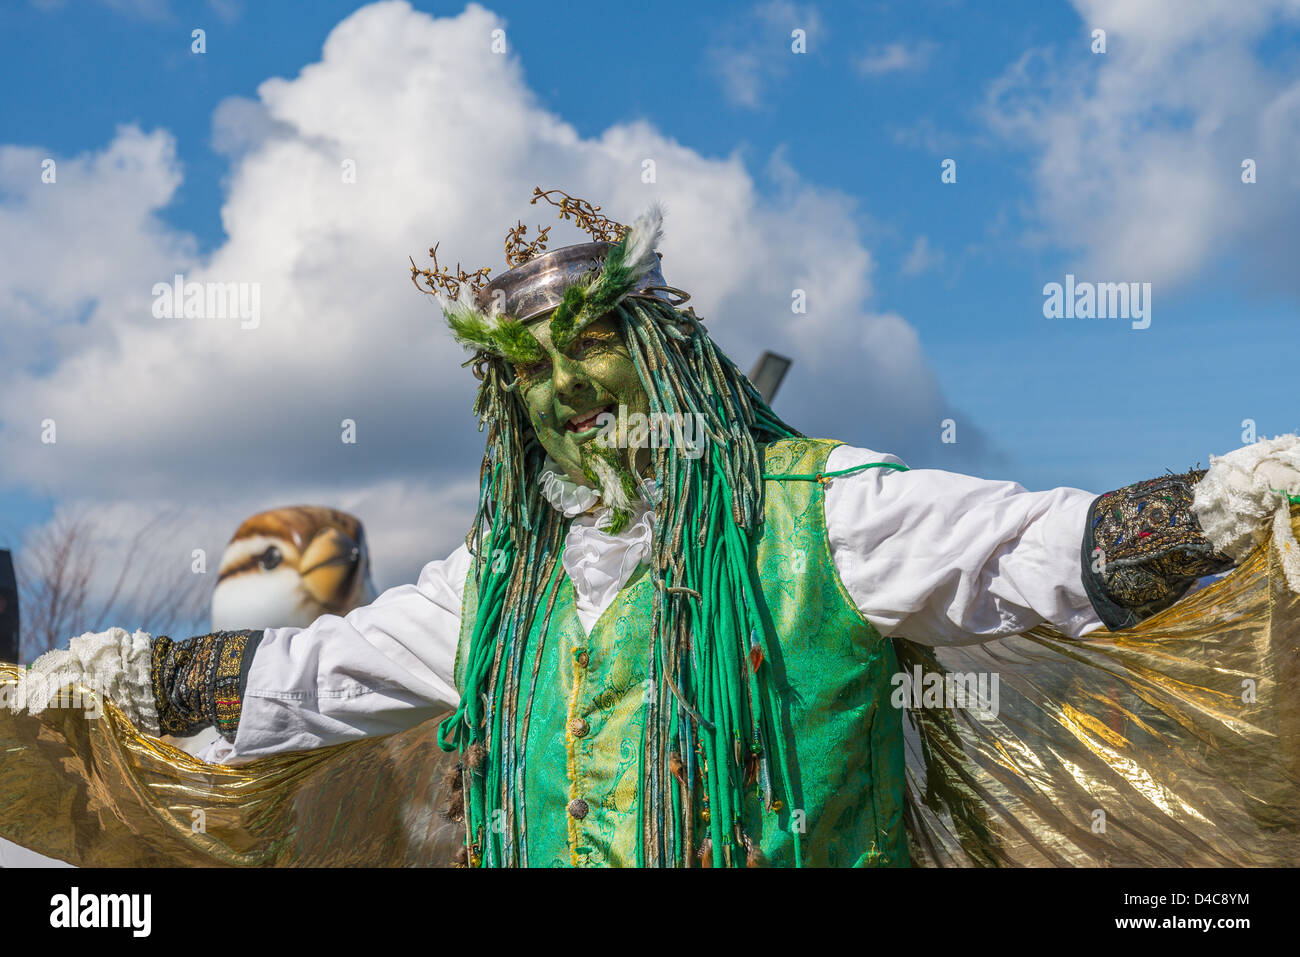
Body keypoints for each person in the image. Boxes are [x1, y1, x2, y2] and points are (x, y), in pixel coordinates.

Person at [5, 189, 1299, 868]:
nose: (568, 389)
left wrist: (1230, 499)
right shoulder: (497, 592)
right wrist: (119, 675)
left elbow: (1059, 556)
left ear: (673, 354)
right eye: (533, 373)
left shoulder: (834, 511)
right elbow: (300, 682)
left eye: (596, 349)